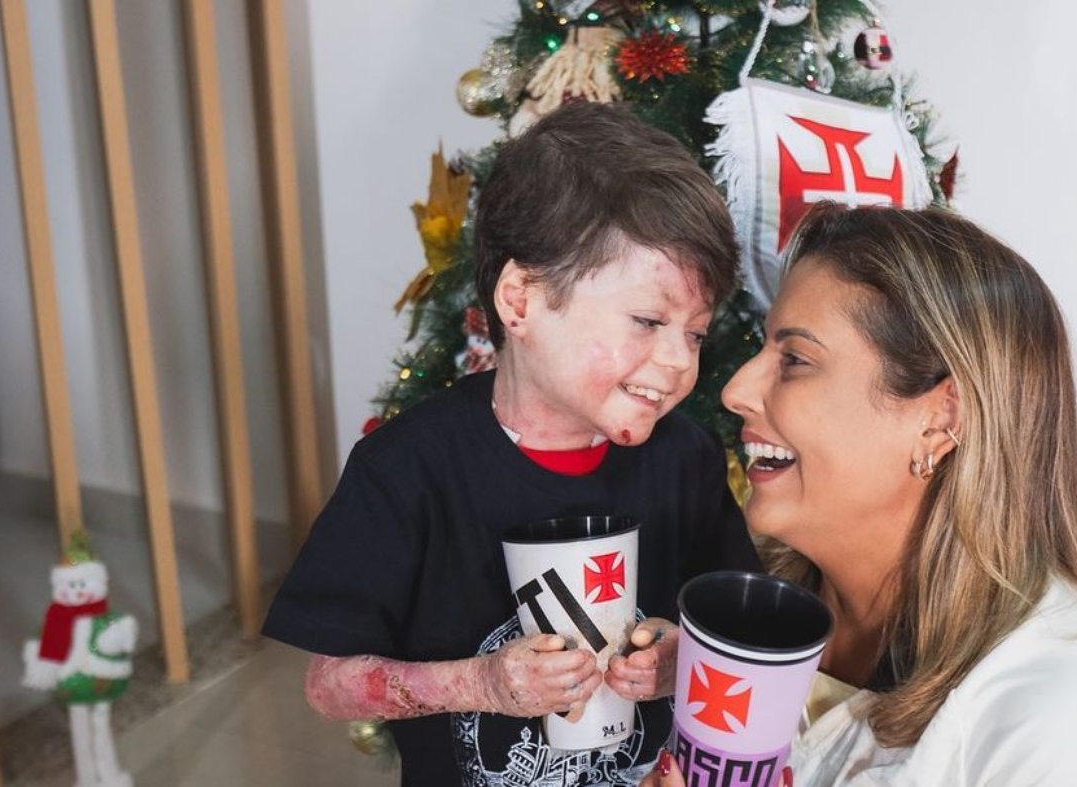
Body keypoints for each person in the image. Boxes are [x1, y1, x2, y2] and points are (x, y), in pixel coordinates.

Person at [263, 102, 762, 787]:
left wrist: (686, 659)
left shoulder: (688, 459)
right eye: (648, 319)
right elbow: (330, 684)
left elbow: (738, 630)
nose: (679, 360)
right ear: (520, 299)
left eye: (696, 332)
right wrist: (482, 684)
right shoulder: (407, 471)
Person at [645, 203, 1077, 786]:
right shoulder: (744, 596)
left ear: (938, 417)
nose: (735, 390)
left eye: (795, 360)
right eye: (763, 347)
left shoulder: (1068, 726)